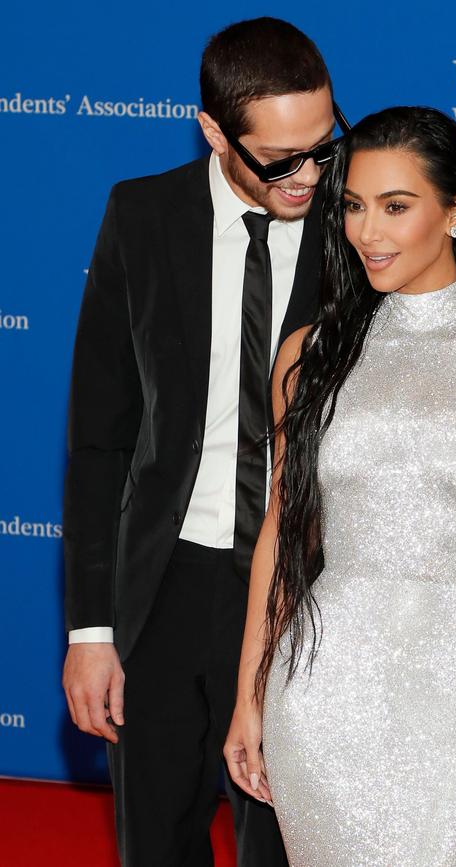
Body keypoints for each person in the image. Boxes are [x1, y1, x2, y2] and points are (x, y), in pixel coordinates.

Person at [224, 107, 456, 866]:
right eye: (352, 205)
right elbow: (281, 533)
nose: (367, 232)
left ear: (455, 212)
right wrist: (250, 690)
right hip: (320, 683)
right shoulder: (306, 355)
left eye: (395, 206)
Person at [61, 17, 344, 867]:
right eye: (280, 159)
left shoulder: (362, 228)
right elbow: (99, 436)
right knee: (154, 842)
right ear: (215, 131)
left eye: (322, 146)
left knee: (285, 846)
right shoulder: (142, 216)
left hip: (303, 589)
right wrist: (90, 630)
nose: (308, 176)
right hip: (165, 586)